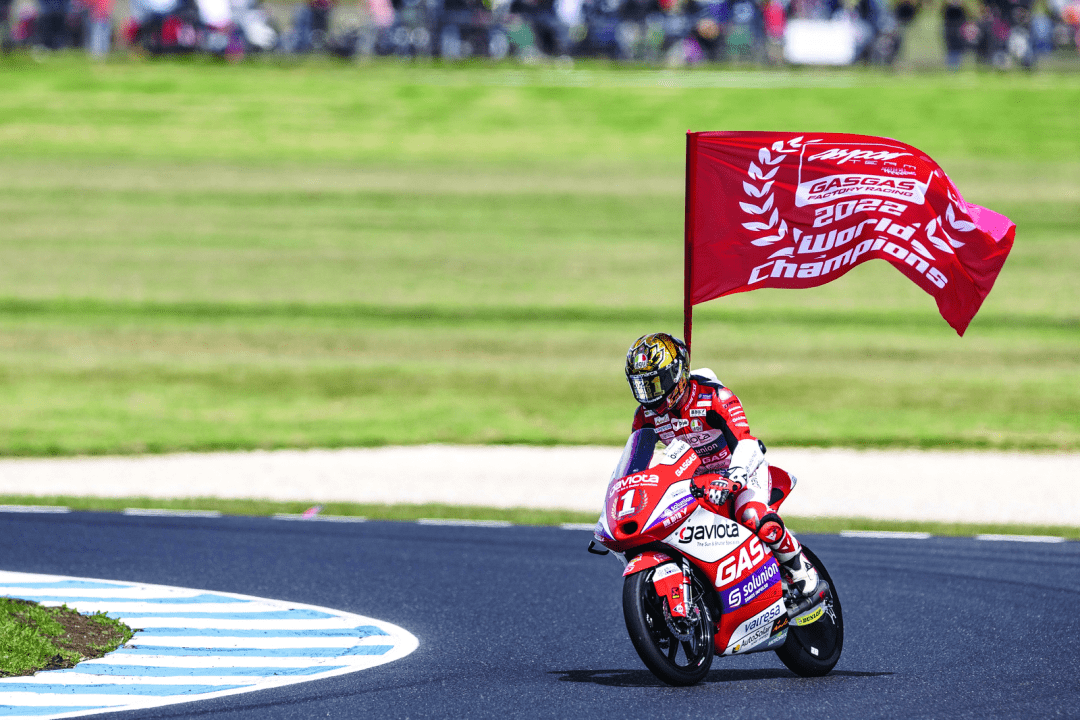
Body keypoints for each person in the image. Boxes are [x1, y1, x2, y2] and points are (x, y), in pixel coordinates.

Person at [623, 332, 824, 599]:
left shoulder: (715, 396)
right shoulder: (645, 416)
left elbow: (746, 441)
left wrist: (735, 476)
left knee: (752, 515)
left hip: (740, 471)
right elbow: (635, 466)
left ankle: (798, 566)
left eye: (656, 384)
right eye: (643, 387)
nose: (650, 395)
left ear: (676, 375)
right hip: (695, 483)